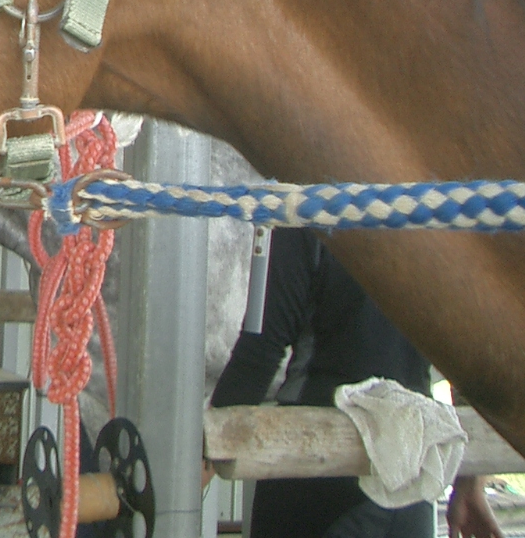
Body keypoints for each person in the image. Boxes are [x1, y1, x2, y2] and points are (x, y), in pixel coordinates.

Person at [210, 228, 500, 538]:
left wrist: (202, 455)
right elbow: (478, 362)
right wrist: (471, 477)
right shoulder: (444, 217)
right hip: (409, 476)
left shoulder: (308, 213)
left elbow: (259, 353)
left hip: (317, 470)